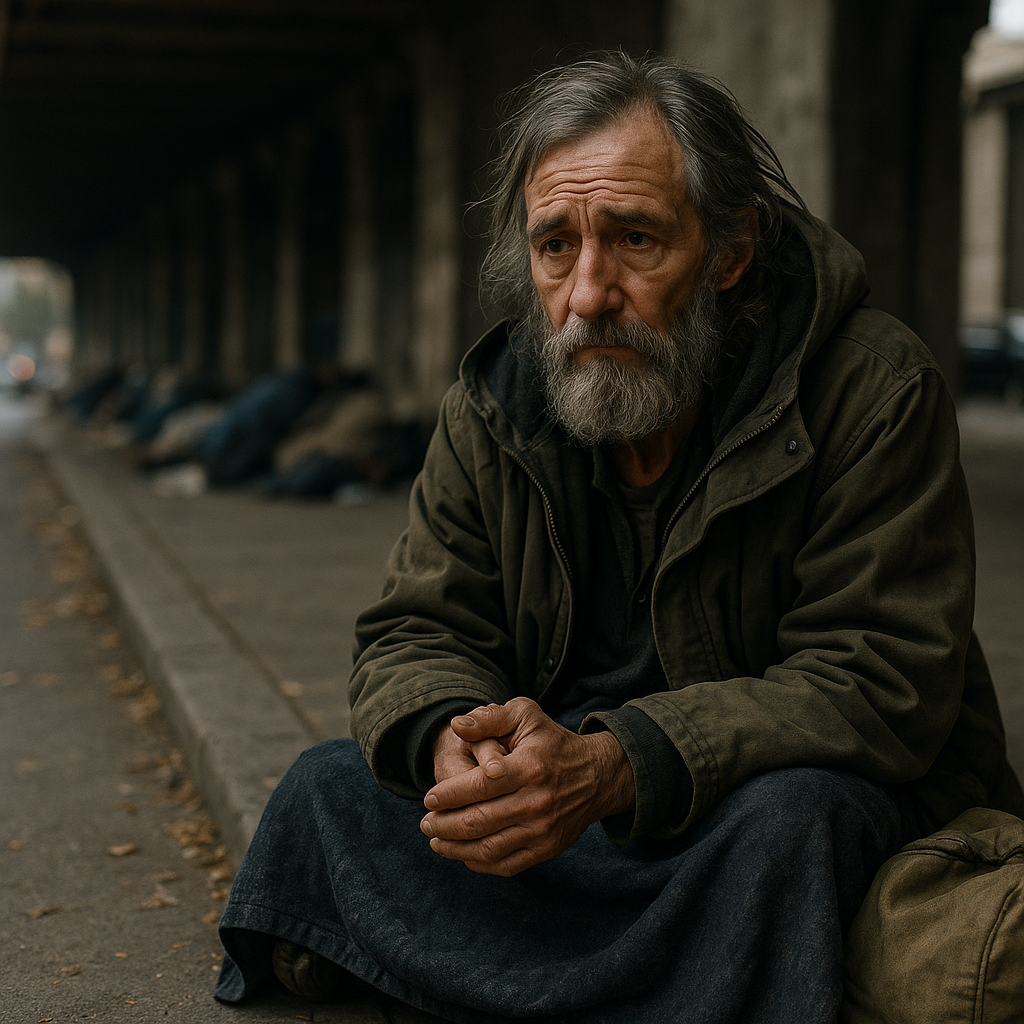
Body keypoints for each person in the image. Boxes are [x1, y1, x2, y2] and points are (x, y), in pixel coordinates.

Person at [215, 52, 1023, 1022]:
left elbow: (879, 679)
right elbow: (414, 628)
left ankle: (484, 973)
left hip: (747, 798)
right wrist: (451, 744)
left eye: (634, 240)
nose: (589, 292)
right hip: (570, 814)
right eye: (555, 247)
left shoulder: (871, 386)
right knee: (329, 788)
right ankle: (683, 980)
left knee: (792, 826)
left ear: (729, 252)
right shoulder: (497, 402)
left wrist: (614, 763)